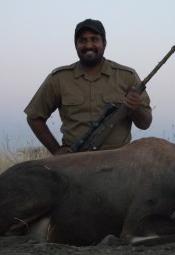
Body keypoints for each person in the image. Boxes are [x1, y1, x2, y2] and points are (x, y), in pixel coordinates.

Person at [24, 19, 152, 156]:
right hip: (74, 161)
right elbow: (34, 117)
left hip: (119, 162)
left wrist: (135, 108)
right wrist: (56, 150)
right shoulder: (59, 78)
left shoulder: (127, 76)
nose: (88, 45)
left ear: (104, 43)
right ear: (76, 45)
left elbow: (145, 123)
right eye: (82, 40)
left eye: (94, 39)